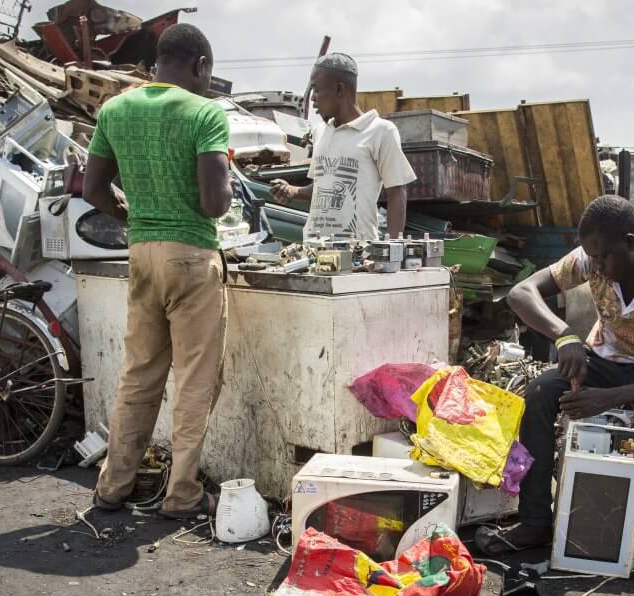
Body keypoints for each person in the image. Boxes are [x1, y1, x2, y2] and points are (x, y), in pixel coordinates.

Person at [479, 195, 634, 596]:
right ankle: (535, 523)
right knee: (542, 392)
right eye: (592, 257)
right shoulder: (592, 257)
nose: (595, 266)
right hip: (603, 359)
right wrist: (565, 335)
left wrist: (607, 398)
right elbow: (521, 293)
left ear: (631, 243)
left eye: (603, 258)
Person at [83, 23, 232, 518]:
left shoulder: (115, 108)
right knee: (194, 380)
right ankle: (182, 494)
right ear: (200, 65)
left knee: (139, 375)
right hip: (191, 257)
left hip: (142, 254)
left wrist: (133, 217)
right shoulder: (206, 113)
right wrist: (226, 172)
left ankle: (113, 487)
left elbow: (93, 191)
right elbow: (214, 204)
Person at [269, 54, 416, 241]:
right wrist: (292, 190)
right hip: (315, 250)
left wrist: (392, 249)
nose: (312, 98)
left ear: (339, 89)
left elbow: (397, 190)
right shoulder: (321, 131)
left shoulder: (380, 131)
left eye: (316, 89)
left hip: (359, 253)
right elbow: (323, 186)